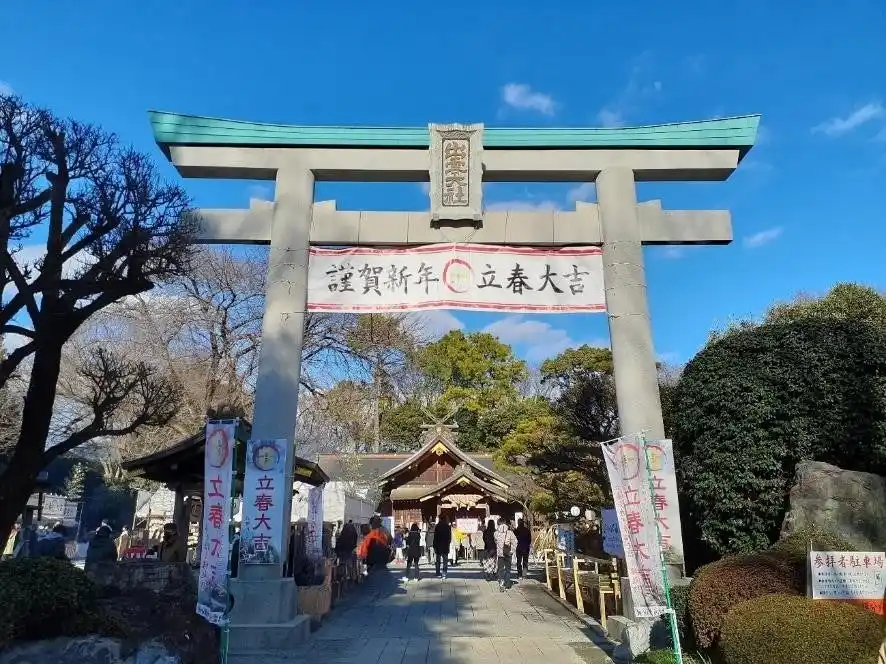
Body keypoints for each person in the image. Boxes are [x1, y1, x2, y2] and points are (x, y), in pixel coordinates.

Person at [494, 518, 518, 592]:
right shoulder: (510, 532)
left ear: (498, 524)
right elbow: (515, 542)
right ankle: (507, 584)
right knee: (508, 569)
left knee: (500, 569)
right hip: (508, 553)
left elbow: (496, 542)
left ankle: (501, 583)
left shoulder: (496, 533)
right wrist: (512, 550)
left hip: (500, 554)